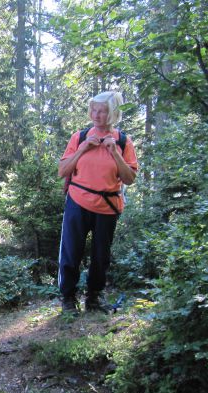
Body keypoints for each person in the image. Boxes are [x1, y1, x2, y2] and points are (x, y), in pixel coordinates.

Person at [58, 91, 138, 314]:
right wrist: (83, 149)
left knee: (101, 255)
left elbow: (129, 179)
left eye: (102, 110)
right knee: (71, 252)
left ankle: (94, 298)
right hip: (77, 202)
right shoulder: (80, 137)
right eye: (94, 109)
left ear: (113, 113)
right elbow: (62, 170)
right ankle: (68, 299)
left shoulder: (123, 141)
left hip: (108, 206)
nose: (96, 114)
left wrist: (115, 153)